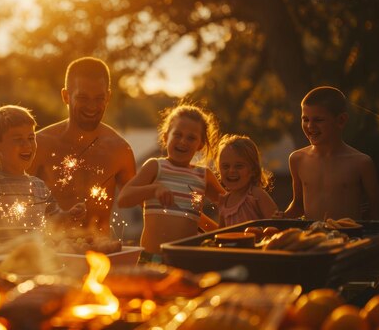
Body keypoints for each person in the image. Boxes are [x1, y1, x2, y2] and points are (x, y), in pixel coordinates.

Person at [0, 105, 86, 259]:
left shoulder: (39, 186)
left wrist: (69, 216)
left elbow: (54, 219)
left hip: (36, 265)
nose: (27, 145)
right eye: (18, 140)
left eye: (30, 138)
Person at [28, 57, 136, 235]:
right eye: (83, 98)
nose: (92, 106)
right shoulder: (40, 145)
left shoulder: (119, 150)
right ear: (66, 96)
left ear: (108, 97)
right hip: (50, 257)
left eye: (99, 98)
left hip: (100, 257)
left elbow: (146, 205)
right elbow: (13, 198)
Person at [117, 104, 225, 260]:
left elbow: (229, 205)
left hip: (187, 260)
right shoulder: (155, 166)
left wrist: (220, 231)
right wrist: (154, 189)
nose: (183, 141)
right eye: (178, 135)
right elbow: (123, 199)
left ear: (200, 144)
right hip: (152, 258)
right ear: (166, 137)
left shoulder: (203, 175)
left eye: (191, 137)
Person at [284, 86, 379, 221]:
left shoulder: (361, 163)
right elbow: (298, 205)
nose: (310, 126)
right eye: (305, 119)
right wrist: (281, 218)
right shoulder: (297, 159)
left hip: (349, 239)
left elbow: (377, 209)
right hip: (312, 238)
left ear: (341, 120)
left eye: (318, 120)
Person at [216, 134, 278, 227]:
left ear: (253, 170)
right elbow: (220, 233)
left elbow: (276, 224)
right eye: (225, 166)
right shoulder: (224, 201)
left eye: (239, 166)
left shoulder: (255, 195)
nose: (231, 171)